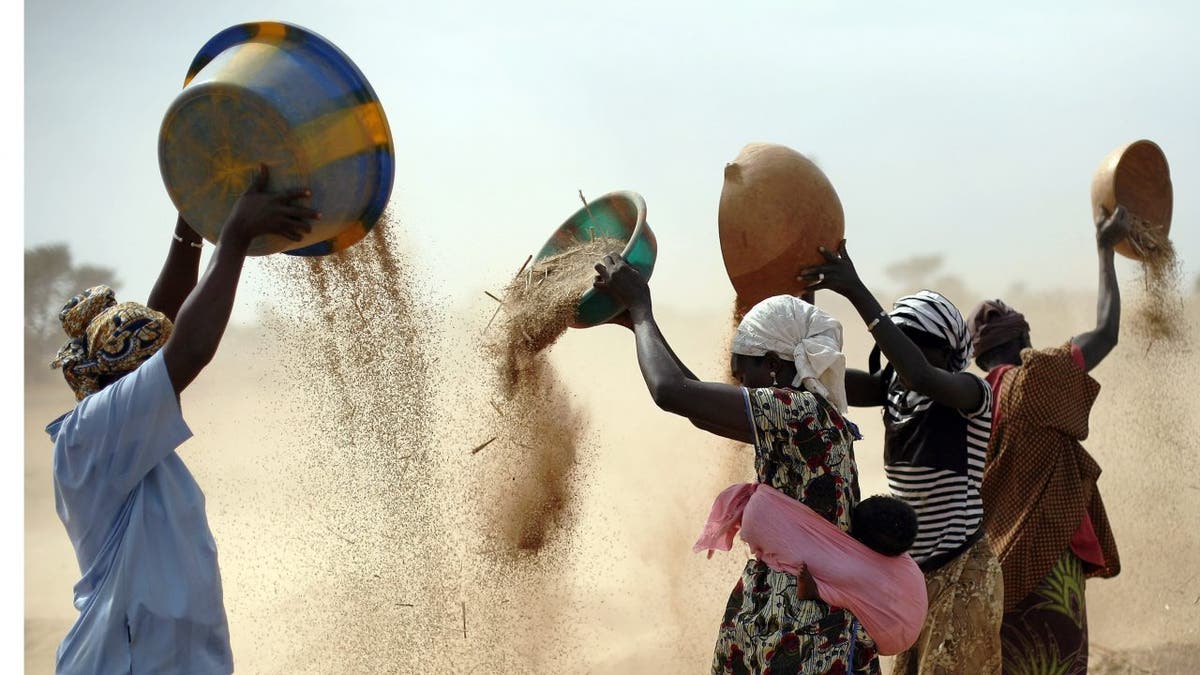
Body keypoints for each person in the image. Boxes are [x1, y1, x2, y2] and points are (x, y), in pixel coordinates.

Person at [46, 165, 317, 674]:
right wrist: (234, 236)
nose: (157, 370)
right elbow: (187, 347)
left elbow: (166, 327)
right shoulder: (91, 435)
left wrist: (191, 221)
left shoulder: (124, 432)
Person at [594, 255, 886, 674]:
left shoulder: (799, 411)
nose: (740, 383)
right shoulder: (800, 419)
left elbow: (669, 392)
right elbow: (696, 407)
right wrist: (637, 323)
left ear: (772, 365)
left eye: (743, 371)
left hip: (804, 629)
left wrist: (642, 309)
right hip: (781, 611)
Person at [801, 243, 1003, 675]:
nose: (899, 357)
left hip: (963, 569)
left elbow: (922, 375)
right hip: (911, 576)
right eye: (898, 345)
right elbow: (821, 380)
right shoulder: (893, 390)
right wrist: (801, 298)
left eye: (914, 346)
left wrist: (855, 290)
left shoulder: (971, 394)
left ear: (946, 353)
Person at [966, 206, 1127, 674]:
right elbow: (1107, 332)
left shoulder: (967, 397)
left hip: (991, 569)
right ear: (1023, 341)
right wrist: (1105, 250)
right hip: (1047, 560)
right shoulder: (1036, 378)